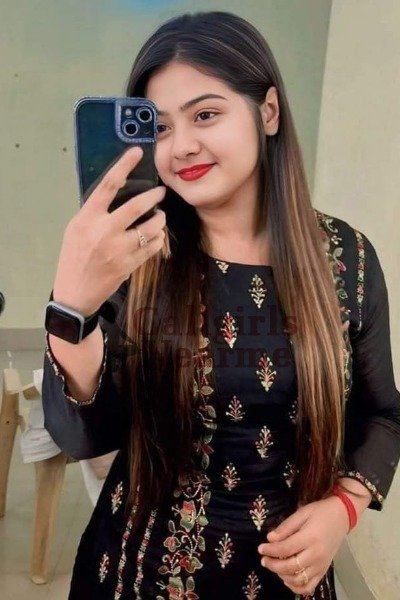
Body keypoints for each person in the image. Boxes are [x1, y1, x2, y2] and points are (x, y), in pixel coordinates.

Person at [41, 11, 400, 600]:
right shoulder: (137, 254)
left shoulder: (346, 259)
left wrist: (344, 507)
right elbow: (82, 436)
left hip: (292, 583)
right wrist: (72, 307)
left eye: (205, 114)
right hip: (139, 578)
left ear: (268, 112)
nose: (181, 146)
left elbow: (383, 414)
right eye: (158, 127)